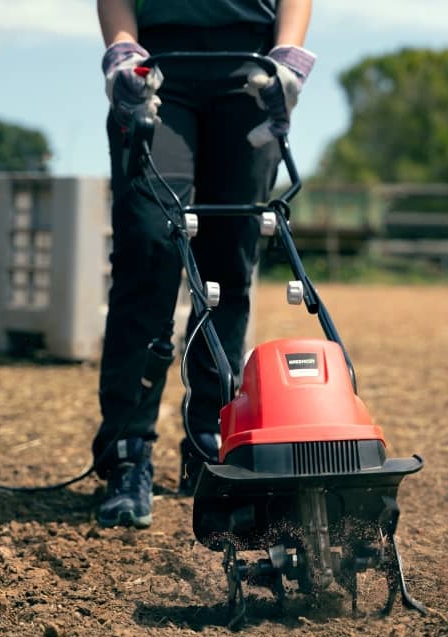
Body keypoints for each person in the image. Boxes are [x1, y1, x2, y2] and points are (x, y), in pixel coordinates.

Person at [93, 0, 316, 528]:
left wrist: (287, 55)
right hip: (158, 70)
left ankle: (211, 440)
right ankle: (128, 454)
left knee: (229, 259)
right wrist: (121, 51)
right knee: (150, 245)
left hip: (251, 73)